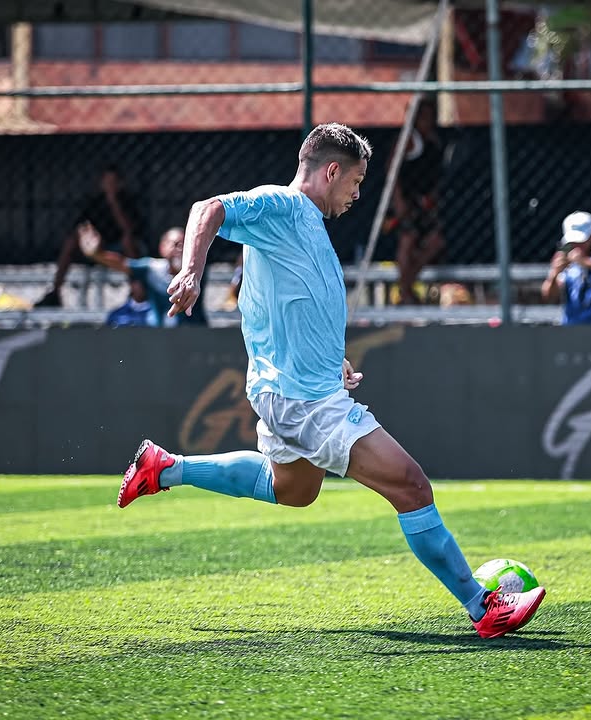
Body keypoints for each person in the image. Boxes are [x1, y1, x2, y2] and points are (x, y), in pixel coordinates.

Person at [116, 123, 544, 638]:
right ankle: (482, 606)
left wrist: (330, 359)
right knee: (411, 485)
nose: (357, 195)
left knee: (294, 489)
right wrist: (190, 271)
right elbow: (207, 209)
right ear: (332, 170)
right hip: (304, 401)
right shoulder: (283, 205)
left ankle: (166, 468)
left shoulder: (306, 225)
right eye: (356, 182)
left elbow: (296, 302)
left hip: (294, 390)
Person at [36, 165, 143, 308]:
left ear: (120, 184)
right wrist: (91, 237)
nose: (109, 186)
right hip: (97, 247)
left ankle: (138, 290)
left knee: (127, 240)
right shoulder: (95, 202)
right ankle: (55, 291)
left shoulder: (127, 201)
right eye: (106, 182)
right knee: (71, 240)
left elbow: (129, 229)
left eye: (113, 182)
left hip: (119, 248)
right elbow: (81, 225)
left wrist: (113, 202)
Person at [78, 223, 206, 328]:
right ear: (162, 247)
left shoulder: (197, 270)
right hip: (160, 336)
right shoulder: (153, 269)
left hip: (194, 334)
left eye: (185, 245)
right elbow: (122, 263)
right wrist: (96, 254)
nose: (180, 249)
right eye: (175, 244)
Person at [387, 100, 446, 305]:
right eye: (423, 117)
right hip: (405, 202)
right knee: (408, 238)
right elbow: (392, 170)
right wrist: (398, 201)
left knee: (436, 241)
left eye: (431, 117)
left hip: (423, 205)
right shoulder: (408, 140)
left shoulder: (434, 142)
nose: (428, 121)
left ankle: (406, 285)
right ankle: (406, 292)